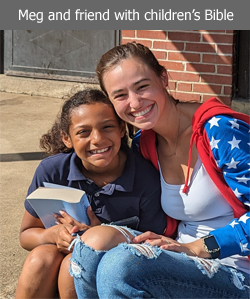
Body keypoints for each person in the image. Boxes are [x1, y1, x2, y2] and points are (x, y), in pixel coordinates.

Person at [71, 42, 250, 298]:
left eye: (142, 86)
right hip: (179, 258)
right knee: (89, 246)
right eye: (120, 95)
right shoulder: (145, 142)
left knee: (121, 265)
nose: (134, 102)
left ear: (163, 78)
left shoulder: (220, 131)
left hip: (236, 270)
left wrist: (198, 248)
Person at [15, 88, 166, 299]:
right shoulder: (51, 172)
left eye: (107, 127)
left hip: (112, 271)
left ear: (122, 129)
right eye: (83, 132)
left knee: (73, 265)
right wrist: (53, 234)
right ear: (66, 138)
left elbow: (155, 247)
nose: (97, 139)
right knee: (40, 258)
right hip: (53, 267)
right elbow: (26, 234)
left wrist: (99, 236)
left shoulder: (145, 179)